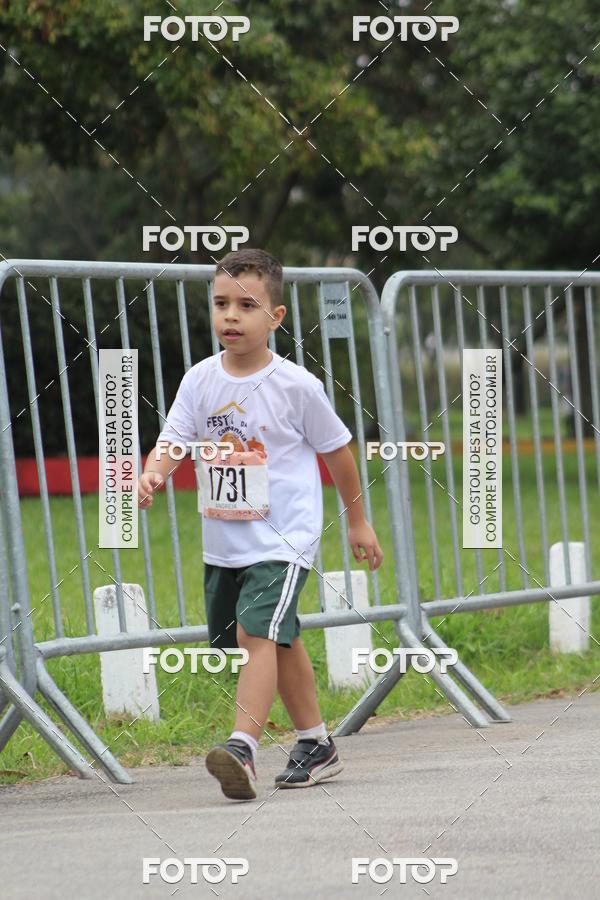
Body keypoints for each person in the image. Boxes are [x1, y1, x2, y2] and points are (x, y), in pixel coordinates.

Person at [137, 248, 384, 801]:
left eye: (247, 306)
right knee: (277, 639)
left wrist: (358, 521)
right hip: (225, 541)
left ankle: (243, 747)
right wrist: (154, 473)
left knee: (255, 634)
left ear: (275, 317)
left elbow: (339, 453)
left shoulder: (296, 385)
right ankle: (317, 744)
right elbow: (173, 440)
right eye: (221, 303)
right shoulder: (200, 380)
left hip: (284, 538)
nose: (231, 315)